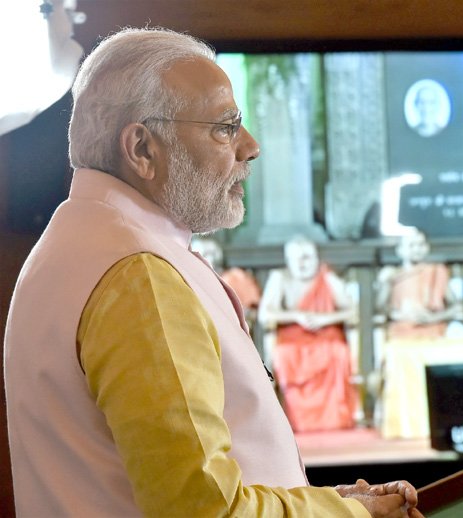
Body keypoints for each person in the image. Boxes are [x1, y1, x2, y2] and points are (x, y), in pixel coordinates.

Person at [3, 27, 422, 518]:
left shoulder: (76, 241)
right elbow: (206, 511)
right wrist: (352, 515)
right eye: (225, 127)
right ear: (142, 148)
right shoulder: (138, 277)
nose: (250, 146)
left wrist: (326, 502)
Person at [258, 235, 358, 432]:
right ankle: (294, 420)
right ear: (288, 261)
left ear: (317, 259)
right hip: (292, 337)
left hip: (326, 335)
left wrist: (325, 318)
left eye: (307, 258)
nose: (302, 263)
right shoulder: (280, 278)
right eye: (297, 259)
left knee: (338, 353)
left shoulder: (327, 278)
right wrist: (296, 316)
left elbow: (353, 311)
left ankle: (334, 420)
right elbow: (265, 314)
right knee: (285, 355)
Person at [376, 228, 463, 340]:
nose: (416, 249)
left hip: (434, 333)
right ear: (400, 250)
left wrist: (432, 318)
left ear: (427, 248)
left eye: (421, 245)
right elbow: (379, 309)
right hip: (401, 334)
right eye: (411, 245)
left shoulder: (436, 271)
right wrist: (386, 284)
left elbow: (458, 309)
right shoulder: (392, 275)